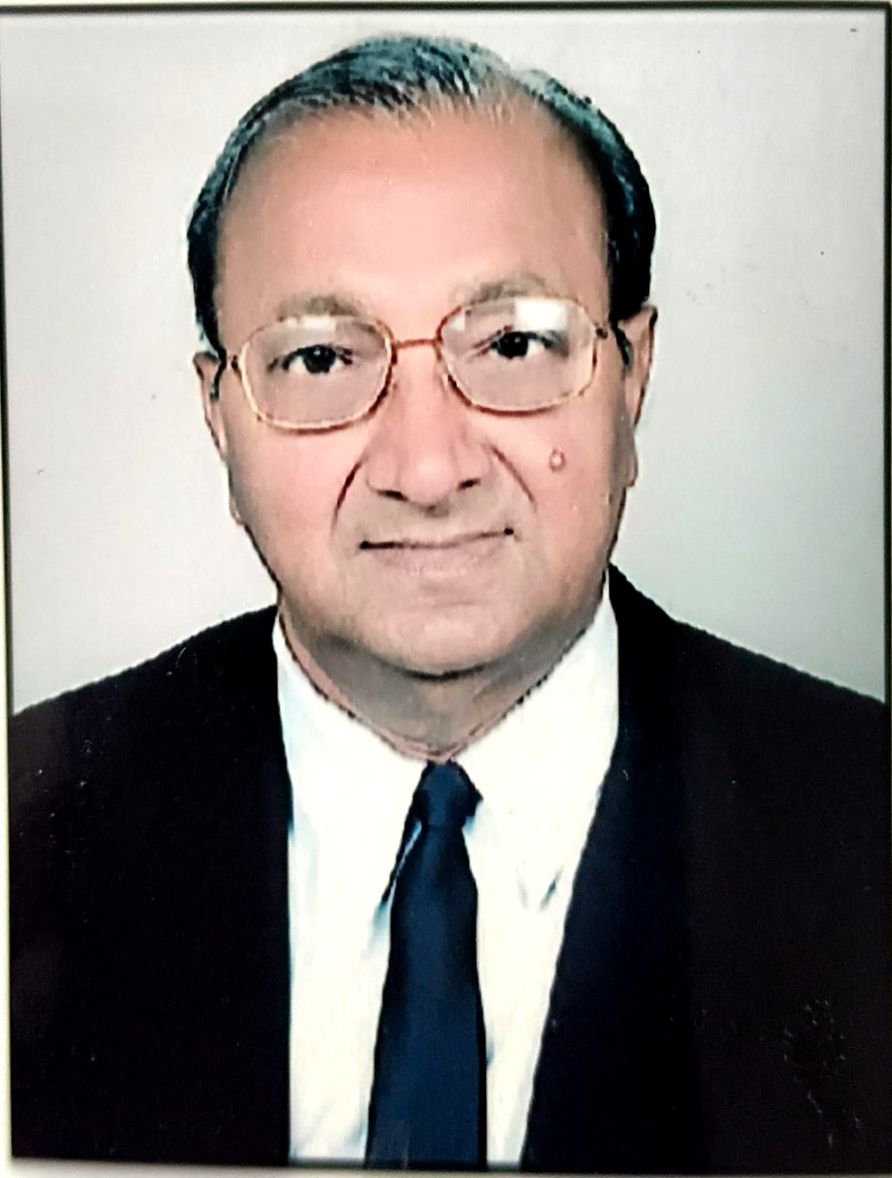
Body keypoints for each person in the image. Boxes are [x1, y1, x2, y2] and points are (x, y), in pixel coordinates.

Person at [9, 33, 890, 1173]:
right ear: (219, 413)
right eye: (321, 361)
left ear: (632, 375)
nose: (427, 470)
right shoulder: (27, 826)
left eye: (514, 343)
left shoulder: (860, 823)